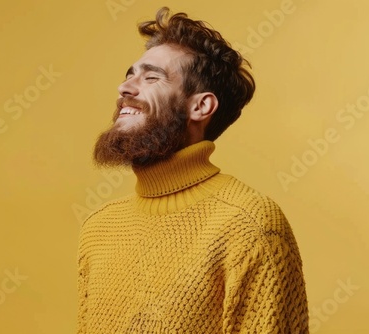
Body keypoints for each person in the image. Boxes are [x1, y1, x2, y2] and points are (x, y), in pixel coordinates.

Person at [77, 7, 309, 333]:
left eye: (152, 77)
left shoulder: (250, 224)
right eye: (129, 75)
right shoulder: (98, 228)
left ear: (200, 106)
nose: (125, 88)